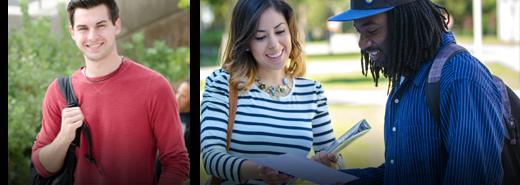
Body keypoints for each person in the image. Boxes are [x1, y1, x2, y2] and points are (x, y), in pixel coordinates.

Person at [327, 0, 504, 184]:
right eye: (359, 31)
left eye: (372, 31)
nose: (362, 43)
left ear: (405, 22)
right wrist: (338, 179)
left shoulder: (460, 78)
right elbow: (404, 172)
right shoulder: (406, 78)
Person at [30, 0, 189, 184]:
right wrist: (63, 137)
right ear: (72, 33)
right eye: (83, 28)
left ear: (116, 25)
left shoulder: (154, 86)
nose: (92, 36)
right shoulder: (59, 91)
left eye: (101, 25)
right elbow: (43, 168)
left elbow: (177, 161)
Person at [200, 0, 344, 184]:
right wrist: (259, 170)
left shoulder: (312, 92)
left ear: (290, 32)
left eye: (280, 31)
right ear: (245, 42)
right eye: (260, 37)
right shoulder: (222, 83)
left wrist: (330, 164)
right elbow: (211, 159)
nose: (274, 44)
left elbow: (337, 160)